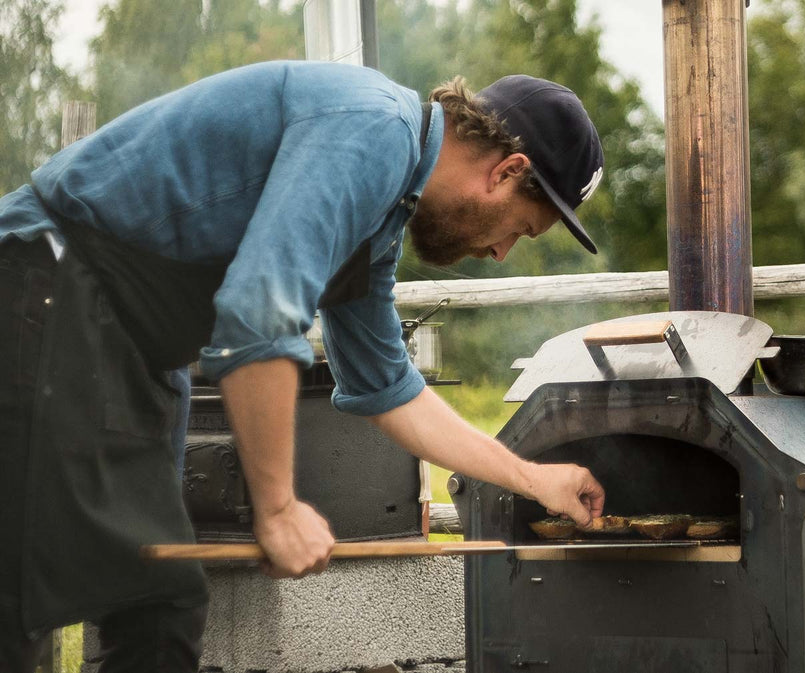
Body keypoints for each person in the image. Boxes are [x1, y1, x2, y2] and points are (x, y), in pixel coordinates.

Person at [0, 61, 608, 672]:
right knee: (21, 590)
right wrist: (278, 508)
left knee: (159, 608)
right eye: (520, 230)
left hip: (131, 351)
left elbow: (387, 388)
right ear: (506, 172)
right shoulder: (375, 126)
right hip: (44, 290)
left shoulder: (384, 214)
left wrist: (534, 480)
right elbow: (259, 313)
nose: (500, 252)